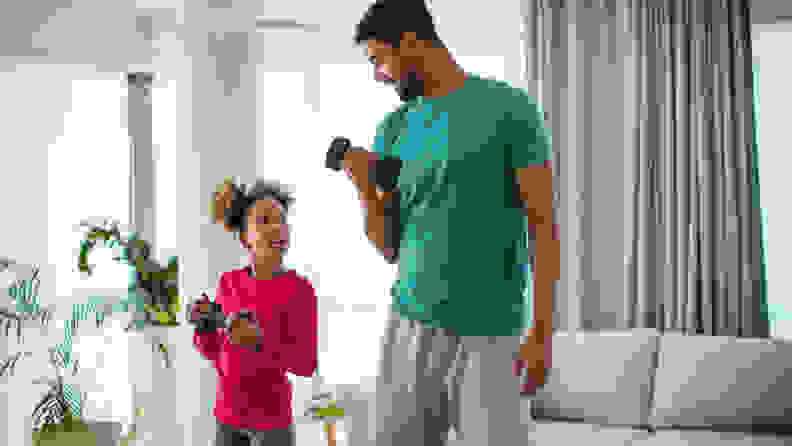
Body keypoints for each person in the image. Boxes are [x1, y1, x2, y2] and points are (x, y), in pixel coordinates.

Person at [342, 1, 560, 445]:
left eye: (379, 59)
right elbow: (389, 248)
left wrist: (541, 333)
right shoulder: (394, 129)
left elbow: (543, 227)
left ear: (411, 42)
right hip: (411, 322)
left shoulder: (510, 110)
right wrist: (366, 189)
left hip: (492, 328)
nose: (378, 74)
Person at [191, 179, 318, 446]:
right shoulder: (229, 283)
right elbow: (215, 351)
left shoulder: (300, 290)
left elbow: (306, 363)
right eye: (264, 220)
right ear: (245, 236)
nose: (277, 227)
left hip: (272, 423)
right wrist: (203, 326)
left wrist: (260, 341)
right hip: (227, 418)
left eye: (282, 220)